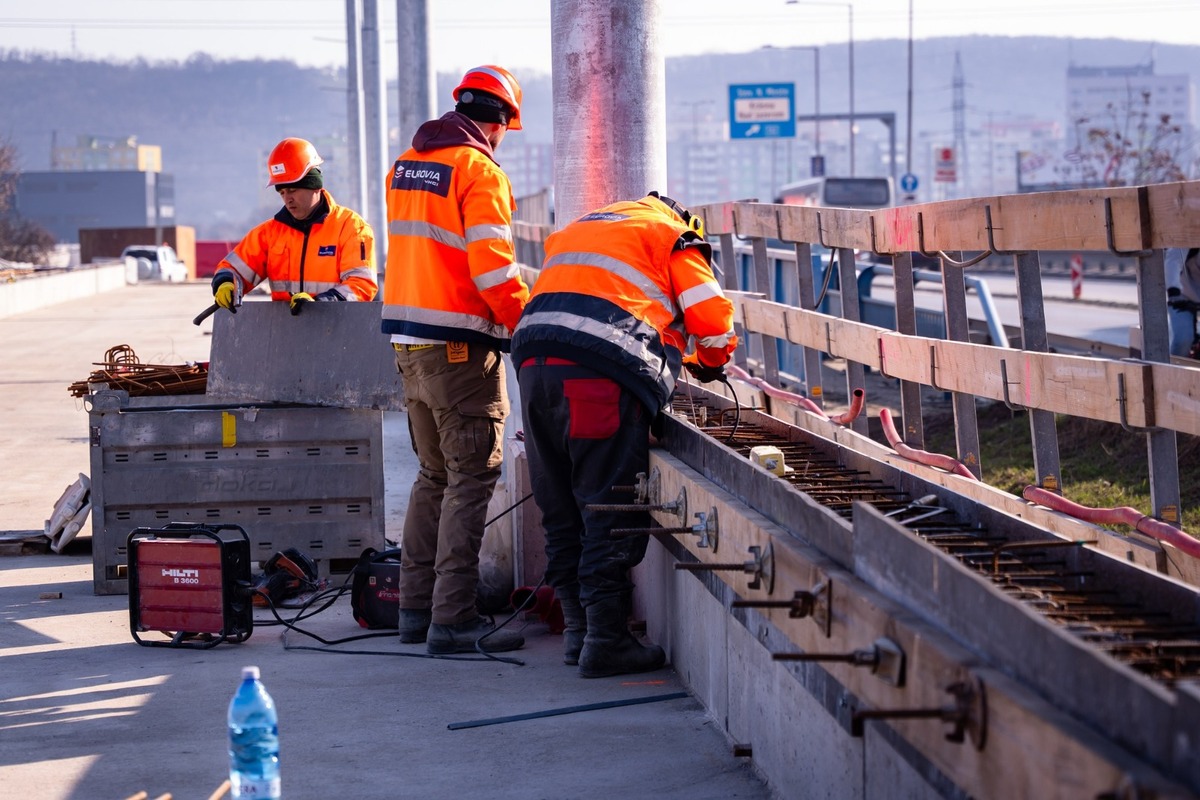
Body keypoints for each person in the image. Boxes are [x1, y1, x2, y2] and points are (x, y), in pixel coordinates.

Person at [510, 192, 738, 678]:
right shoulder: (674, 235)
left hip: (533, 361)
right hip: (597, 370)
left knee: (562, 503)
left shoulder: (584, 227)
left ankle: (577, 631)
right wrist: (712, 364)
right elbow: (712, 322)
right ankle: (606, 639)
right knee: (609, 502)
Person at [380, 65, 530, 655]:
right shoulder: (478, 170)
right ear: (498, 123)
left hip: (408, 344)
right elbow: (493, 268)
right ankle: (454, 619)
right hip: (460, 348)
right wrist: (526, 325)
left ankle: (414, 611)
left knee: (434, 476)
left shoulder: (406, 164)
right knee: (471, 478)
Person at [211, 137, 377, 315]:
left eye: (292, 190)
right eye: (282, 192)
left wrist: (319, 303)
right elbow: (233, 268)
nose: (287, 199)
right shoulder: (270, 234)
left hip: (336, 333)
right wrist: (226, 282)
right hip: (286, 335)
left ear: (315, 185)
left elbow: (361, 284)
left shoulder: (351, 227)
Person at [1165, 247, 1200, 358]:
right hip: (1182, 297)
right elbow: (1173, 263)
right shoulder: (1186, 238)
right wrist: (1173, 292)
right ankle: (1172, 372)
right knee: (1183, 339)